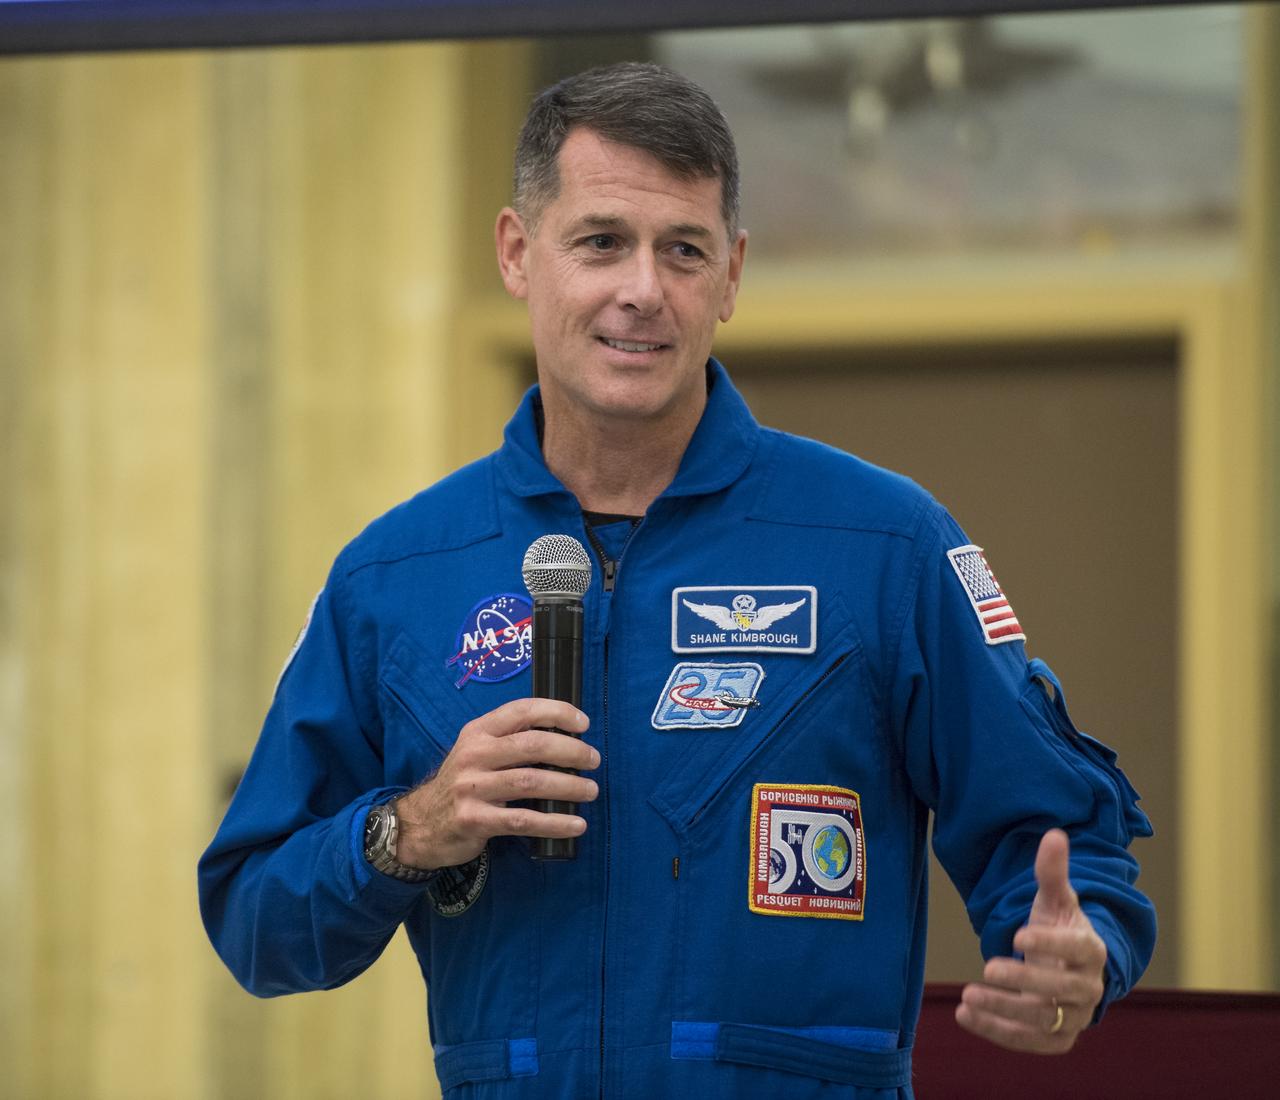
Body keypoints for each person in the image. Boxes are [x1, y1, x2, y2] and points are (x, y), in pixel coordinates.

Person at [199, 61, 1155, 1098]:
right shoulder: (396, 574)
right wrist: (410, 827)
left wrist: (1081, 949)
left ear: (732, 275)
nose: (642, 289)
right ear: (519, 255)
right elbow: (256, 919)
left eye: (683, 250)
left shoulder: (883, 546)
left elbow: (1052, 836)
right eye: (601, 240)